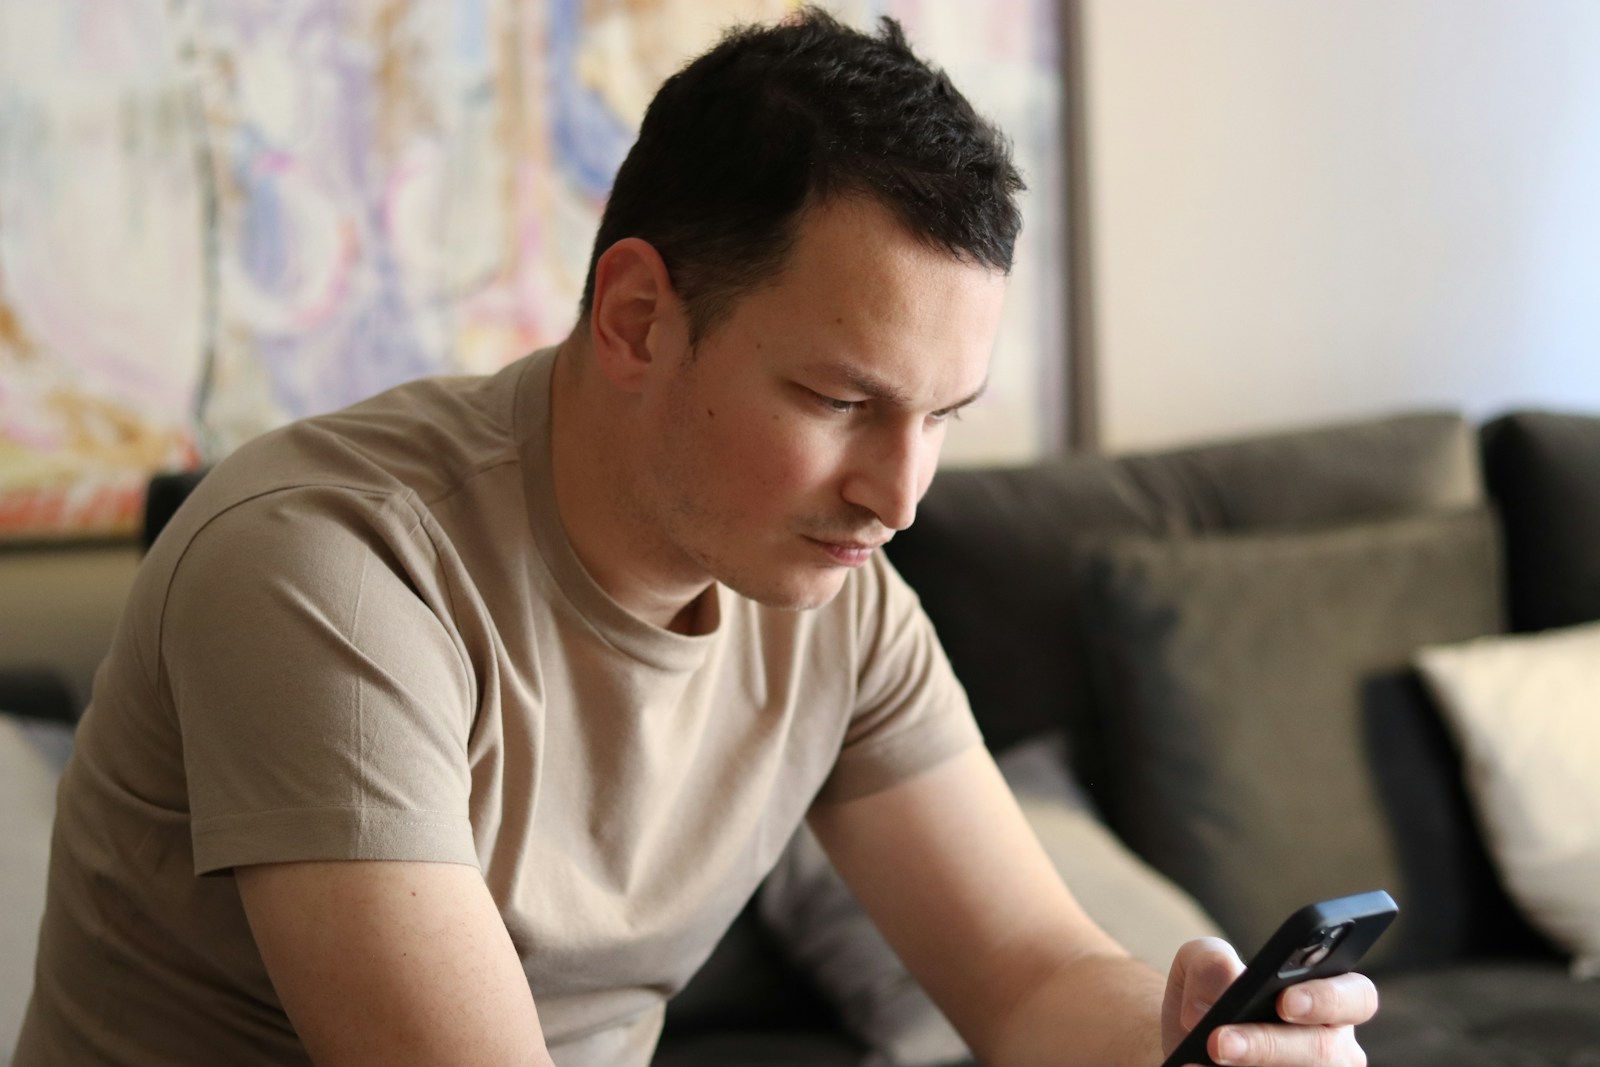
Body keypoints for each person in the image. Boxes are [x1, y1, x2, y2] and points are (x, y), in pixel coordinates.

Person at [16, 9, 1378, 1067]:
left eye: (943, 416)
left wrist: (1186, 1035)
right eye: (840, 401)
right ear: (634, 318)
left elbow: (1027, 977)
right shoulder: (329, 567)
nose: (899, 495)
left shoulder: (838, 601)